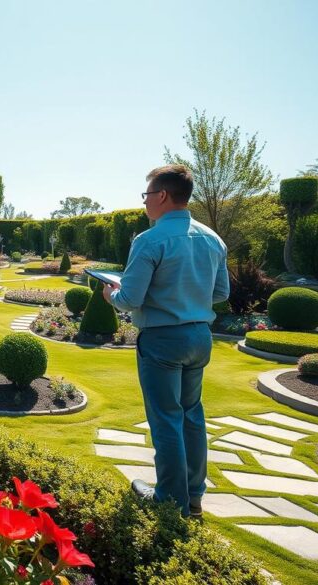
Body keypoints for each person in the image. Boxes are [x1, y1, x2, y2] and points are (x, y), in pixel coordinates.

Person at [102, 164, 228, 518]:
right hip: (200, 336)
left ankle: (171, 501)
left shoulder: (149, 240)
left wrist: (111, 294)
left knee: (166, 419)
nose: (144, 204)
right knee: (192, 414)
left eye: (146, 196)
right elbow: (220, 292)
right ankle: (193, 495)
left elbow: (130, 299)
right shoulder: (213, 238)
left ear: (161, 196)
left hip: (162, 340)